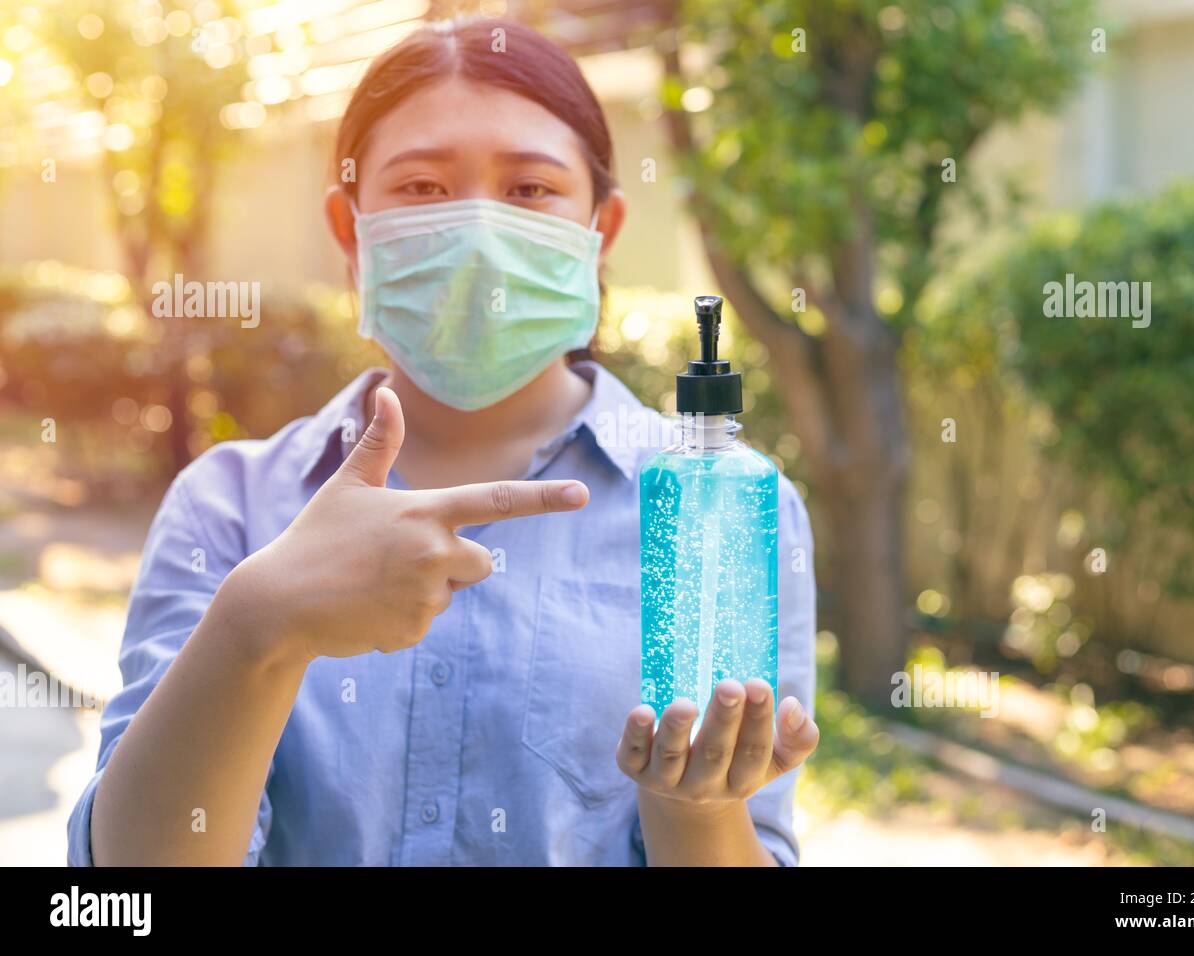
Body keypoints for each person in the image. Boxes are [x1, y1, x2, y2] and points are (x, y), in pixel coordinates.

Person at [67, 16, 818, 867]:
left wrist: (692, 804)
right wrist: (259, 622)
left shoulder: (718, 508)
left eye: (530, 190)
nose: (478, 234)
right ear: (351, 232)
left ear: (600, 233)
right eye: (423, 188)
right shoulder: (228, 506)